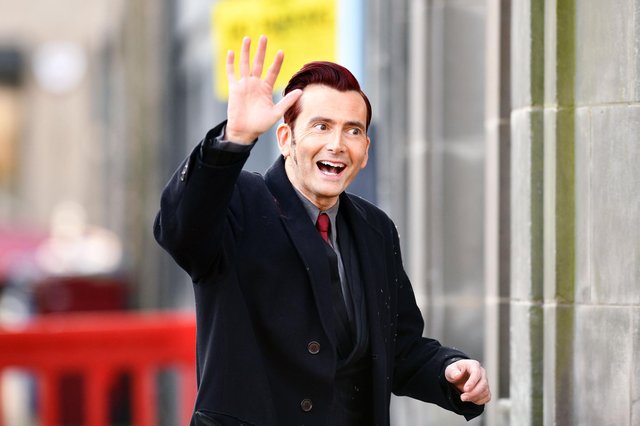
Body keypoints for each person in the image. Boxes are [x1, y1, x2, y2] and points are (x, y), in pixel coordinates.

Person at [154, 36, 490, 425]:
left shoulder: (376, 230)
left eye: (352, 131)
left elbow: (398, 348)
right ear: (286, 139)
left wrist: (449, 370)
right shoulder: (239, 202)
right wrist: (234, 139)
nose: (337, 144)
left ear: (365, 150)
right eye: (321, 126)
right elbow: (179, 230)